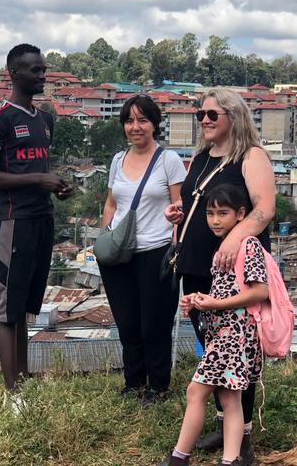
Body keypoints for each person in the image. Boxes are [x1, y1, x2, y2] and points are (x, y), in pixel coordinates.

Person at [164, 88, 276, 463]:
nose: (205, 121)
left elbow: (264, 209)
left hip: (234, 270)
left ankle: (242, 439)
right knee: (213, 350)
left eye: (213, 114)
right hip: (196, 266)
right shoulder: (199, 157)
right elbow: (200, 200)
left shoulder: (250, 156)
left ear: (234, 117)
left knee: (236, 356)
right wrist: (179, 212)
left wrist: (233, 238)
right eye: (201, 115)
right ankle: (224, 423)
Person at [0, 43, 73, 411]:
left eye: (43, 69)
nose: (42, 76)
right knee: (6, 310)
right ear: (14, 73)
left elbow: (38, 173)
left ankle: (25, 380)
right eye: (34, 70)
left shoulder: (44, 119)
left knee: (25, 306)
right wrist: (38, 179)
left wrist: (56, 187)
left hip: (41, 219)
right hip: (13, 222)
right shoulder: (0, 117)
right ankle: (11, 393)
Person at [158, 184, 269, 466]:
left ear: (241, 214)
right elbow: (229, 290)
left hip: (234, 334)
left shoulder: (248, 244)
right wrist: (198, 300)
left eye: (223, 213)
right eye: (210, 213)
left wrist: (214, 305)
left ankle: (179, 458)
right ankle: (229, 460)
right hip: (227, 333)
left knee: (197, 392)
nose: (215, 220)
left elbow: (259, 292)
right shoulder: (226, 246)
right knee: (229, 398)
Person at [98, 95, 186, 408]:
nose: (136, 127)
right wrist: (106, 236)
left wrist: (176, 240)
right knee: (128, 322)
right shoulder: (117, 160)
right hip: (119, 255)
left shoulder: (169, 161)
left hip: (156, 251)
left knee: (155, 324)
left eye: (143, 120)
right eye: (130, 121)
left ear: (154, 124)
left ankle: (158, 387)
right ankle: (133, 383)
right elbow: (112, 203)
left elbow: (181, 207)